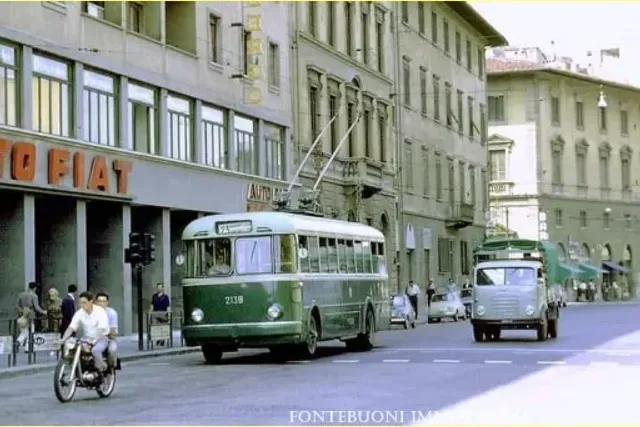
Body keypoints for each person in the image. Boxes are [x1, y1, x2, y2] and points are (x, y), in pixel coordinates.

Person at [60, 291, 110, 375]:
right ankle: (78, 369)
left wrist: (93, 341)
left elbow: (100, 329)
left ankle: (101, 370)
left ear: (91, 302)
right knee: (73, 347)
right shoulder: (79, 312)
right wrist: (63, 339)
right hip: (86, 338)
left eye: (84, 302)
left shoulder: (100, 311)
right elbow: (71, 327)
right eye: (80, 303)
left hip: (101, 337)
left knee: (95, 351)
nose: (82, 305)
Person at [16, 282, 47, 350]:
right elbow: (37, 307)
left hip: (22, 316)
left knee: (24, 331)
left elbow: (17, 306)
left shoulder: (21, 294)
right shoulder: (34, 296)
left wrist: (22, 311)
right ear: (35, 288)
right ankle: (27, 348)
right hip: (30, 315)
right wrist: (44, 312)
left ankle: (18, 342)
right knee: (31, 331)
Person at [95, 291, 118, 367]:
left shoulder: (111, 313)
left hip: (108, 338)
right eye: (99, 301)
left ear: (107, 302)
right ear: (96, 302)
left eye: (104, 301)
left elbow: (113, 331)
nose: (101, 303)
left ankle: (109, 369)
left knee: (112, 350)